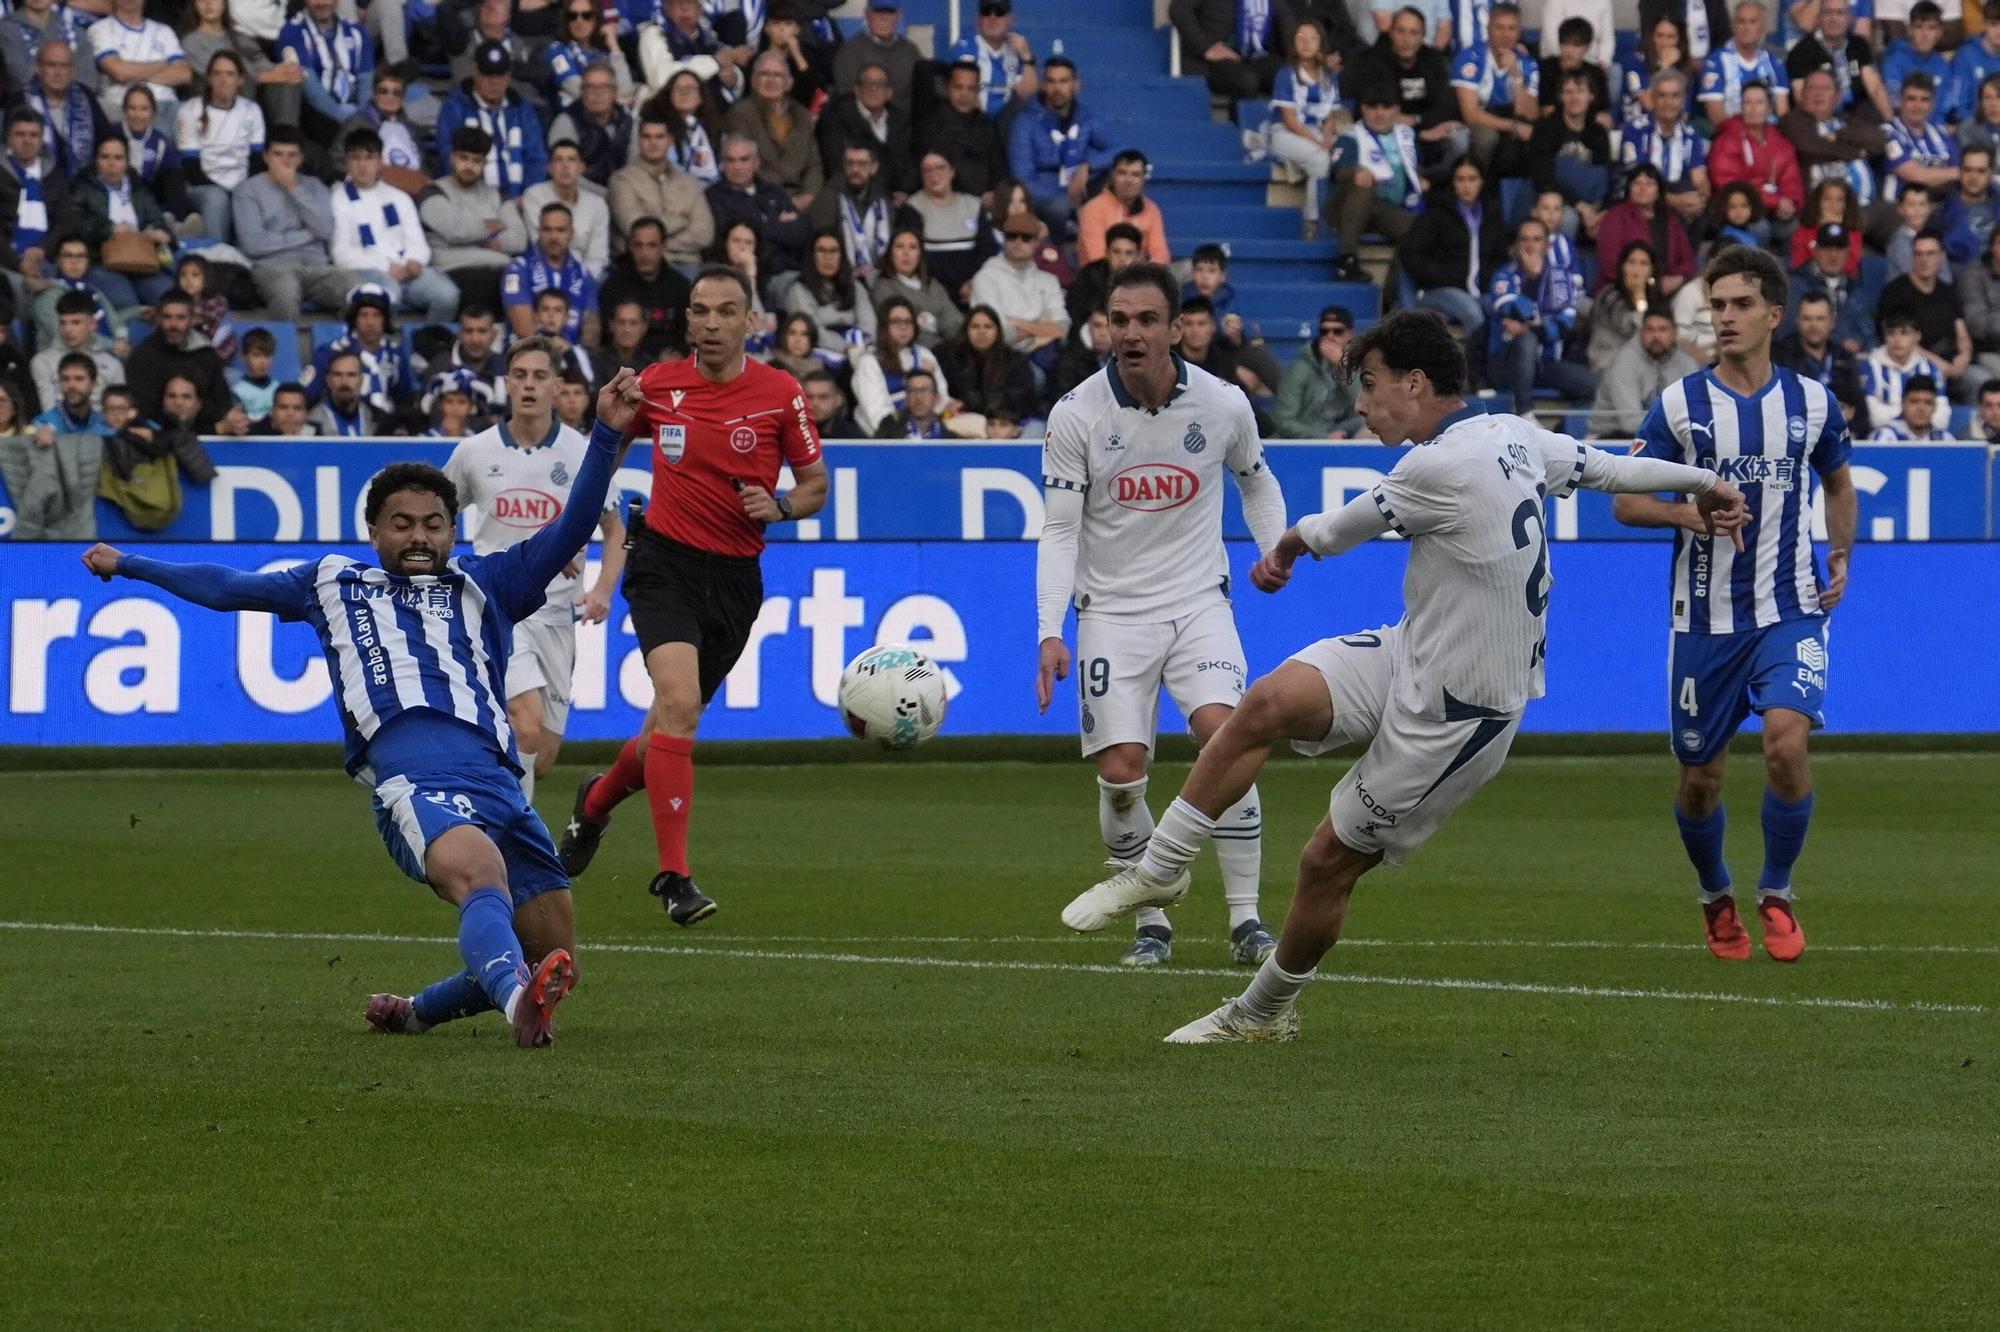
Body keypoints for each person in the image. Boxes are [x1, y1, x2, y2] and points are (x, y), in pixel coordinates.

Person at [1063, 306, 1746, 1041]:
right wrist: (1702, 479)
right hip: (1412, 652)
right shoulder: (1511, 433)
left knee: (1326, 860)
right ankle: (1161, 866)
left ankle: (1260, 1013)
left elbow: (1340, 529)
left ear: (1415, 383)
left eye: (1370, 384)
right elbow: (1610, 466)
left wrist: (1287, 549)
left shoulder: (1437, 464)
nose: (1360, 403)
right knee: (1266, 701)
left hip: (1461, 715)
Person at [79, 365, 651, 1046]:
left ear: (452, 530)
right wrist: (134, 564)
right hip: (415, 781)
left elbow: (576, 523)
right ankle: (518, 1005)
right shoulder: (332, 582)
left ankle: (418, 1011)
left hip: (498, 782)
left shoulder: (491, 581)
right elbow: (228, 584)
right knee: (481, 876)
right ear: (374, 532)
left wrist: (609, 433)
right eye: (402, 524)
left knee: (556, 958)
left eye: (435, 525)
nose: (419, 537)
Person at [558, 265, 829, 927]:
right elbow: (609, 452)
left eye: (725, 311)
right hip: (663, 565)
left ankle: (593, 806)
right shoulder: (655, 385)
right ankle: (675, 877)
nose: (710, 323)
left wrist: (784, 505)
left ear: (749, 322)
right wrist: (577, 525)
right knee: (679, 706)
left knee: (664, 733)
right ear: (687, 320)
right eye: (699, 311)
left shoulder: (779, 393)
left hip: (736, 581)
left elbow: (816, 482)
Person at [1035, 262, 1287, 968]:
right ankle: (1153, 919)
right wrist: (1050, 629)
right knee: (1121, 773)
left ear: (1176, 328)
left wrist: (1273, 552)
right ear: (1105, 327)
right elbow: (1059, 531)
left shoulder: (1224, 405)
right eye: (1120, 319)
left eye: (1147, 320)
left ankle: (1245, 919)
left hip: (1198, 602)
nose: (1132, 333)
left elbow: (1258, 484)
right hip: (1111, 612)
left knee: (1223, 738)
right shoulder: (1076, 414)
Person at [1612, 245, 1854, 965]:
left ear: (1774, 315)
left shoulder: (1813, 402)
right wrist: (1688, 516)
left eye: (1740, 304)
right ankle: (1716, 897)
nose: (1724, 317)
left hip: (1791, 607)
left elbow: (1838, 483)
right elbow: (1626, 500)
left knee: (1786, 742)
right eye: (1716, 305)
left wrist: (1842, 554)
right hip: (1704, 622)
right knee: (1700, 780)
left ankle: (1776, 891)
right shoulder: (1680, 406)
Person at [442, 335, 627, 805]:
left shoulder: (582, 451)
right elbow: (436, 517)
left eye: (539, 376)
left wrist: (603, 588)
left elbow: (613, 530)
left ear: (556, 385)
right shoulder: (473, 453)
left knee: (540, 757)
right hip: (497, 607)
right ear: (506, 383)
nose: (528, 385)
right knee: (524, 724)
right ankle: (512, 842)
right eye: (519, 375)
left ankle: (477, 774)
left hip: (558, 616)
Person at [233, 126, 366, 321]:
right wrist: (307, 235)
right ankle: (285, 349)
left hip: (318, 266)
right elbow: (254, 244)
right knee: (286, 292)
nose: (285, 161)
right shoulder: (248, 190)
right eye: (278, 154)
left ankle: (347, 346)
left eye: (291, 155)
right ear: (266, 157)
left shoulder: (315, 186)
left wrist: (294, 189)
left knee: (359, 291)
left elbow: (326, 230)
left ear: (301, 159)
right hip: (273, 267)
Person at [333, 127, 459, 326]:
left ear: (380, 161)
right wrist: (385, 267)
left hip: (407, 270)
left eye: (369, 157)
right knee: (387, 294)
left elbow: (417, 241)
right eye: (356, 158)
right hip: (366, 269)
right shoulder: (337, 199)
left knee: (447, 294)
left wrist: (414, 262)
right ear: (347, 162)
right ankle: (381, 350)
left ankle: (427, 346)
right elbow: (341, 254)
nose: (363, 165)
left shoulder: (398, 197)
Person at [1487, 215, 1595, 416]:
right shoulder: (1503, 276)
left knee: (1593, 385)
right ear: (1517, 244)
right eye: (1524, 239)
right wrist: (1532, 278)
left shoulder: (1562, 280)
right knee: (1526, 340)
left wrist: (1529, 327)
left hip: (1546, 364)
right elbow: (1515, 311)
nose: (1530, 245)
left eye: (1536, 239)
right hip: (1507, 364)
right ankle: (1525, 414)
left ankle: (1566, 428)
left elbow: (1562, 328)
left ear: (1547, 244)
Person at [1254, 19, 1346, 242]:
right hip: (1286, 133)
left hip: (1316, 131)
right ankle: (1312, 222)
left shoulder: (1329, 77)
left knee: (1345, 155)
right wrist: (1317, 141)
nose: (1307, 44)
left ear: (1321, 44)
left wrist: (1326, 136)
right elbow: (1289, 119)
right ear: (1293, 44)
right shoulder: (1285, 74)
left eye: (1313, 39)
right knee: (1320, 160)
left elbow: (1330, 117)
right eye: (1301, 39)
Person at [419, 124, 528, 311]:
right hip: (454, 270)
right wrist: (493, 227)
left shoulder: (498, 195)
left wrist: (474, 235)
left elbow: (519, 240)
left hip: (500, 270)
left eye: (477, 161)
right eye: (464, 158)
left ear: (485, 164)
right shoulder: (432, 192)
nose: (469, 166)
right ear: (453, 158)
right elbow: (456, 232)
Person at [1005, 55, 1115, 238]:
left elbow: (1120, 148)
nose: (1057, 88)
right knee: (1060, 207)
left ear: (1076, 85)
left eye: (1064, 81)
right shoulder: (1025, 122)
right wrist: (1066, 196)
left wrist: (1088, 166)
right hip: (1044, 196)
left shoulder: (1085, 117)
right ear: (1043, 85)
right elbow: (1023, 179)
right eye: (1051, 81)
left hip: (1079, 187)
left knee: (1122, 172)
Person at [1354, 6, 1466, 175]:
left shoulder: (1434, 60)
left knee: (1460, 138)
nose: (1407, 39)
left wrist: (1415, 120)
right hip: (1392, 136)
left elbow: (1447, 109)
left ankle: (1438, 185)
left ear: (1423, 36)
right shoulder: (1373, 61)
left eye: (1414, 33)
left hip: (1431, 129)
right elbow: (1374, 113)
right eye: (1401, 31)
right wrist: (1420, 134)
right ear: (1391, 32)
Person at [434, 39, 548, 200]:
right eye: (487, 74)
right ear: (474, 71)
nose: (494, 82)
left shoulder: (522, 109)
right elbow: (448, 154)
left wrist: (527, 196)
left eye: (500, 75)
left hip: (518, 201)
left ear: (508, 76)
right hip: (468, 199)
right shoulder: (455, 106)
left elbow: (536, 158)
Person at [174, 50, 263, 244]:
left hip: (241, 184)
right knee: (217, 198)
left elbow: (256, 162)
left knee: (254, 195)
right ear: (209, 79)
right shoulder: (189, 110)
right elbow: (191, 168)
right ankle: (217, 256)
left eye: (230, 74)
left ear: (240, 80)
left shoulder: (252, 110)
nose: (223, 80)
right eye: (217, 74)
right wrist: (227, 193)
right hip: (202, 186)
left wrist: (241, 191)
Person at [1329, 87, 1419, 274]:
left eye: (1386, 107)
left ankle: (1392, 292)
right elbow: (1338, 170)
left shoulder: (1406, 136)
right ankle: (1347, 260)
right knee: (1365, 184)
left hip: (1385, 210)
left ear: (1396, 110)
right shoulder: (1350, 137)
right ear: (1363, 109)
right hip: (1346, 208)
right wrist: (1356, 172)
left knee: (1419, 230)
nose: (1379, 113)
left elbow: (1419, 169)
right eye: (1373, 107)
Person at [609, 112, 714, 268]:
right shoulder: (621, 180)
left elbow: (705, 234)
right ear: (639, 140)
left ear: (670, 140)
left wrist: (653, 242)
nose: (653, 143)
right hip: (637, 266)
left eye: (659, 137)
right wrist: (681, 221)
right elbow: (633, 228)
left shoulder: (689, 182)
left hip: (685, 264)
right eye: (646, 137)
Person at [970, 211, 1067, 367]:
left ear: (1036, 242)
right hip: (1002, 358)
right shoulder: (985, 278)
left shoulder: (1049, 281)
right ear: (1004, 240)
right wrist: (1041, 326)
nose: (1018, 242)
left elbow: (1062, 327)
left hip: (1047, 353)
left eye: (1026, 237)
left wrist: (1020, 324)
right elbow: (996, 333)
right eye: (1012, 236)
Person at [726, 50, 822, 207]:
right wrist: (781, 200)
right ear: (754, 81)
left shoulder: (802, 115)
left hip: (802, 199)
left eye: (777, 75)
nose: (771, 80)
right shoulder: (741, 113)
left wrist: (809, 195)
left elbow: (814, 165)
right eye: (764, 74)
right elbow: (745, 165)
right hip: (759, 199)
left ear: (789, 83)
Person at [124, 287, 231, 429]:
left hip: (206, 435)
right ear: (158, 319)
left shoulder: (206, 354)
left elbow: (221, 403)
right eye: (167, 317)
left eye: (180, 318)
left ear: (192, 319)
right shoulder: (143, 357)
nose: (173, 325)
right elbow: (144, 412)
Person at [706, 134, 809, 276]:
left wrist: (761, 224)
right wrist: (776, 223)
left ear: (756, 162)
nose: (737, 166)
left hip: (790, 268)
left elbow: (801, 230)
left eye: (744, 159)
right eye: (730, 160)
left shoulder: (774, 191)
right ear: (722, 164)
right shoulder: (713, 196)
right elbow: (726, 235)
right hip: (743, 273)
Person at [1589, 306, 1698, 434]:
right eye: (1649, 329)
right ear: (1641, 332)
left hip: (1663, 435)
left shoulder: (1687, 363)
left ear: (1675, 333)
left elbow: (1695, 410)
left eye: (1662, 330)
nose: (1656, 336)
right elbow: (1630, 423)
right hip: (1611, 438)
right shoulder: (1625, 363)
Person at [276, 0, 369, 150]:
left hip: (357, 114)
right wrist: (349, 120)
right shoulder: (291, 31)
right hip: (318, 115)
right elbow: (310, 87)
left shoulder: (356, 30)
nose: (322, 2)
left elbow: (366, 79)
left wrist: (363, 115)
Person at [1596, 164, 1695, 296]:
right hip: (1624, 289)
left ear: (1659, 190)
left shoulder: (1671, 221)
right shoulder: (1615, 216)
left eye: (1649, 183)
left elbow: (1688, 260)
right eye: (1637, 183)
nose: (1643, 188)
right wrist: (1648, 284)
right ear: (1629, 188)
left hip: (1668, 289)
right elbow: (1610, 264)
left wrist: (1677, 279)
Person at [938, 303, 1036, 436]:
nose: (981, 331)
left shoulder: (1015, 360)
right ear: (966, 330)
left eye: (988, 326)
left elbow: (1017, 399)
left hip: (1008, 421)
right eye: (975, 326)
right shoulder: (950, 357)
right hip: (965, 421)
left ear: (998, 331)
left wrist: (967, 404)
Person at [599, 214, 692, 353]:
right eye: (638, 245)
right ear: (630, 246)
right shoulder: (613, 287)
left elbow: (685, 335)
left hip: (668, 365)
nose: (644, 253)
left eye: (651, 245)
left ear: (663, 246)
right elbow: (607, 337)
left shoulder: (680, 286)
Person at [90, 0, 191, 126]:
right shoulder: (100, 29)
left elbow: (184, 74)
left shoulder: (164, 31)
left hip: (167, 106)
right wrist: (162, 64)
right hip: (123, 106)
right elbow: (119, 72)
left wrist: (133, 72)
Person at [918, 59, 1008, 201]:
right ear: (947, 88)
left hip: (990, 200)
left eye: (971, 88)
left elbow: (999, 168)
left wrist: (997, 193)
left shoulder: (987, 124)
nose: (964, 94)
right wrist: (980, 195)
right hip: (951, 200)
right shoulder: (932, 124)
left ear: (978, 91)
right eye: (958, 87)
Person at [1786, 0, 1889, 122]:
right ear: (1818, 18)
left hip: (1858, 116)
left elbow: (1875, 87)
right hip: (1818, 120)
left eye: (1840, 13)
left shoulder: (1859, 45)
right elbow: (1801, 98)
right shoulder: (1801, 51)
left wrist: (1891, 123)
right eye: (1827, 13)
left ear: (1850, 18)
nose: (1833, 19)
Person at [1171, 0, 1284, 109]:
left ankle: (1285, 126)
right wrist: (1205, 48)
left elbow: (1286, 19)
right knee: (1247, 80)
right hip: (1209, 62)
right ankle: (1240, 127)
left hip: (1253, 56)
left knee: (1290, 73)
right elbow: (1178, 9)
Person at [1273, 304, 1363, 437]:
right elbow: (1283, 419)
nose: (1330, 336)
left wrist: (1345, 367)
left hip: (1343, 432)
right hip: (1306, 438)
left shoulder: (1359, 364)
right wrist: (1323, 437)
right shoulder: (1301, 368)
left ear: (1350, 335)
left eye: (1337, 331)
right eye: (1324, 331)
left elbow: (1367, 405)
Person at [870, 225, 962, 350]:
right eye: (899, 246)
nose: (906, 253)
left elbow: (958, 324)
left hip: (950, 346)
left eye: (912, 247)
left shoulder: (932, 284)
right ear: (890, 253)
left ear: (920, 254)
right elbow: (904, 330)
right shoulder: (883, 288)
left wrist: (932, 323)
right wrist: (938, 323)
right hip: (916, 352)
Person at [548, 63, 636, 191]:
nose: (598, 93)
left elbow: (635, 167)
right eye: (590, 87)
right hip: (580, 194)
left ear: (614, 92)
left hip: (623, 194)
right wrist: (606, 196)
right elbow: (563, 172)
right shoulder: (566, 121)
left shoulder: (627, 121)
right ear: (582, 91)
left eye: (604, 87)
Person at [784, 225, 873, 350]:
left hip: (859, 351)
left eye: (833, 251)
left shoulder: (856, 287)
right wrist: (847, 348)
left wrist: (861, 347)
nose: (828, 257)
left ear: (841, 256)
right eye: (821, 250)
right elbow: (811, 332)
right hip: (820, 353)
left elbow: (870, 327)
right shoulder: (798, 290)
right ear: (812, 255)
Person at [1075, 149, 1169, 267]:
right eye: (1122, 173)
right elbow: (1097, 258)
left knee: (1187, 267)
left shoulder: (1151, 209)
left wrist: (1147, 273)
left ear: (1143, 179)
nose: (1128, 180)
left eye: (1135, 174)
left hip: (1143, 275)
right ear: (1112, 176)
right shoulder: (1093, 209)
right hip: (1102, 279)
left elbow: (1160, 252)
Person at [1699, 1, 1788, 122]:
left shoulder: (1774, 64)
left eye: (1753, 22)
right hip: (1731, 135)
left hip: (1768, 135)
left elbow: (1783, 113)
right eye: (1741, 22)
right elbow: (1716, 116)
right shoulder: (1716, 62)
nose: (1746, 27)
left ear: (1764, 27)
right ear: (1732, 26)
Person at [946, 0, 1036, 119]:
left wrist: (1026, 56)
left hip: (1007, 125)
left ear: (1010, 19)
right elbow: (966, 96)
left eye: (1000, 12)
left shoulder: (1016, 51)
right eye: (986, 11)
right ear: (978, 19)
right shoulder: (966, 45)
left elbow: (1028, 96)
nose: (992, 18)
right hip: (974, 123)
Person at [34, 288, 122, 410]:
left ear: (92, 324)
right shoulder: (42, 362)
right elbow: (48, 411)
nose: (68, 329)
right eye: (63, 323)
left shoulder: (112, 365)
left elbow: (119, 410)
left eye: (75, 323)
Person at [831, 0, 920, 110]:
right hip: (862, 122)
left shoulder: (910, 50)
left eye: (889, 12)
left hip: (905, 122)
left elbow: (928, 86)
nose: (883, 18)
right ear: (867, 14)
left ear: (898, 16)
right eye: (878, 11)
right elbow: (846, 95)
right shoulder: (849, 51)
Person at [1882, 2, 1954, 118]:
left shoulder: (1943, 65)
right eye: (1919, 27)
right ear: (1909, 30)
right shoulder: (1894, 61)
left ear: (1940, 32)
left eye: (1931, 28)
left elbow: (1944, 109)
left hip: (1935, 129)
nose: (1925, 34)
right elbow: (1895, 104)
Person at [1870, 372, 1955, 438]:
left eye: (1928, 403)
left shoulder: (1945, 440)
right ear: (1903, 404)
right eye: (1914, 401)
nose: (1921, 408)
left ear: (1935, 407)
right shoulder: (1884, 437)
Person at [799, 365, 862, 437]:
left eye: (823, 397)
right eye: (808, 397)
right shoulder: (785, 436)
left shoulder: (854, 439)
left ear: (838, 400)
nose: (815, 403)